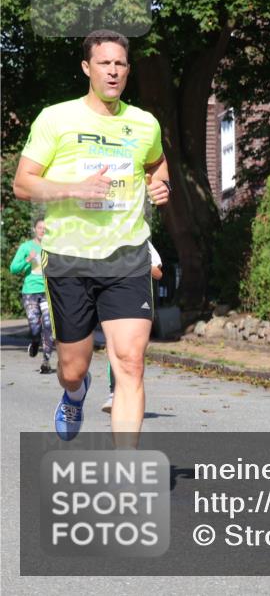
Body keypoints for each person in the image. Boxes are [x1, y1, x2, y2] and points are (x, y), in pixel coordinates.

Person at [12, 29, 170, 443]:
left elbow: (157, 165)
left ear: (128, 70)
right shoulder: (56, 118)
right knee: (72, 367)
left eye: (120, 64)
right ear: (87, 68)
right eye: (104, 63)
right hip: (69, 256)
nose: (113, 71)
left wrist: (162, 186)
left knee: (130, 363)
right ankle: (75, 393)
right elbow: (23, 184)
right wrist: (73, 189)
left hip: (126, 255)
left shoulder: (144, 124)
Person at [102, 241, 163, 413]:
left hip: (139, 301)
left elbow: (158, 273)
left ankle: (128, 394)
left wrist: (142, 264)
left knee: (134, 352)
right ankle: (114, 392)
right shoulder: (108, 237)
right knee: (116, 345)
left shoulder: (145, 243)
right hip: (115, 300)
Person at [9, 217, 55, 373]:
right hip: (30, 293)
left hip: (48, 292)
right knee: (35, 328)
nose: (43, 230)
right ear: (35, 229)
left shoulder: (53, 247)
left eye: (45, 228)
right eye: (40, 227)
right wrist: (28, 259)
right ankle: (35, 342)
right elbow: (13, 268)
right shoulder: (26, 246)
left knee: (49, 325)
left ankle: (46, 361)